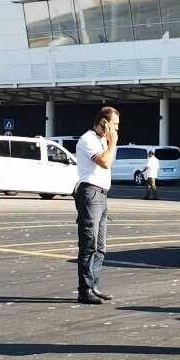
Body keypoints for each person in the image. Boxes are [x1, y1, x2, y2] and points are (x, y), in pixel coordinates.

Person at [74, 106, 120, 305]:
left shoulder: (103, 140)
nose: (117, 129)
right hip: (90, 193)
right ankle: (84, 290)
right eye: (115, 125)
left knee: (100, 247)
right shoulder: (88, 140)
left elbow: (109, 160)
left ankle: (93, 285)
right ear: (104, 123)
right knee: (89, 243)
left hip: (102, 193)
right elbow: (105, 162)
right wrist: (113, 143)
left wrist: (110, 142)